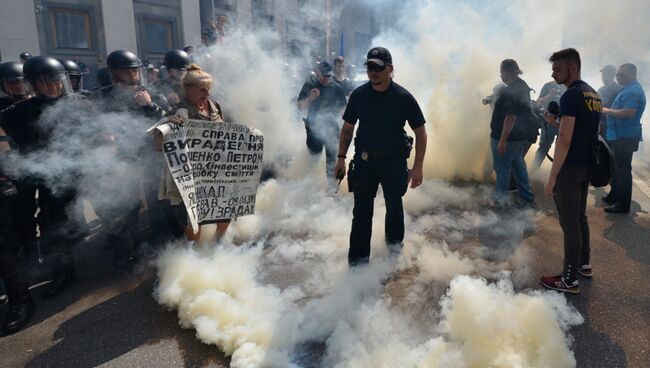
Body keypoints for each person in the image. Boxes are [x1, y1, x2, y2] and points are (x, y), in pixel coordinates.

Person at [334, 46, 427, 266]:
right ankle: (358, 263)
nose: (373, 72)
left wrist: (418, 167)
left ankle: (394, 252)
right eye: (370, 67)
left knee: (394, 206)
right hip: (365, 163)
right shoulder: (358, 96)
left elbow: (421, 132)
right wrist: (340, 158)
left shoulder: (403, 97)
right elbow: (347, 128)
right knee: (361, 213)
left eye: (378, 67)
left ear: (390, 69)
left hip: (394, 163)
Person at [0, 56, 82, 298]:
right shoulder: (16, 112)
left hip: (72, 171)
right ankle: (60, 270)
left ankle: (72, 268)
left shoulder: (77, 104)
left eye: (57, 81)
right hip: (35, 174)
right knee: (43, 223)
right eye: (46, 82)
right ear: (33, 84)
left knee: (64, 221)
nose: (54, 86)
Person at [91, 50, 166, 271]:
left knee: (156, 200)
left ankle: (160, 243)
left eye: (135, 70)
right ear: (115, 73)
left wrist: (149, 105)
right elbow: (92, 124)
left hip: (150, 155)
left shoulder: (150, 92)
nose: (133, 75)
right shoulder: (102, 98)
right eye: (127, 71)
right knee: (127, 205)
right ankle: (129, 251)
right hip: (122, 159)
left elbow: (166, 121)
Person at [540, 48, 601, 294]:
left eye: (557, 69)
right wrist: (554, 121)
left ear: (572, 68)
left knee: (569, 222)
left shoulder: (571, 95)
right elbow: (579, 130)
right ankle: (584, 265)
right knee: (580, 217)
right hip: (586, 166)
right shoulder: (592, 94)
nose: (553, 74)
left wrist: (552, 177)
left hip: (570, 168)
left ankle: (569, 279)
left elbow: (564, 138)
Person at [153, 64, 231, 242]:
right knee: (194, 219)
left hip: (217, 170)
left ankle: (218, 244)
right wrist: (168, 126)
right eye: (202, 90)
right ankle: (194, 257)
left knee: (224, 212)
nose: (207, 94)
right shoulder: (178, 112)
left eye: (209, 89)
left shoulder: (215, 106)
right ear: (188, 89)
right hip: (192, 177)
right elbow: (158, 146)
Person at [489, 59, 534, 206]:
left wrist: (502, 140)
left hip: (508, 138)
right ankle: (527, 197)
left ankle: (500, 200)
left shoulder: (512, 90)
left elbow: (510, 117)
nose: (501, 76)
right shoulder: (523, 86)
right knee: (518, 166)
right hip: (519, 137)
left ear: (508, 71)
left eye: (501, 72)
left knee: (502, 169)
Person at [602, 63, 646, 213]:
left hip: (625, 137)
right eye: (617, 75)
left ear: (632, 75)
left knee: (623, 170)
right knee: (618, 168)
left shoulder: (632, 91)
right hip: (620, 135)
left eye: (622, 75)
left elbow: (629, 112)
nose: (618, 78)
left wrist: (608, 111)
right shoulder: (627, 89)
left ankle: (622, 204)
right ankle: (615, 196)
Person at [298, 61, 347, 186]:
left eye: (330, 76)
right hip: (314, 129)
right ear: (318, 73)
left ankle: (332, 189)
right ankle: (310, 187)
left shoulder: (337, 88)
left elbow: (343, 108)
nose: (328, 79)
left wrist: (340, 116)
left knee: (332, 161)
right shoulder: (310, 85)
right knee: (313, 159)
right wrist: (311, 98)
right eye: (325, 76)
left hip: (332, 129)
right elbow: (300, 106)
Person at [532, 81, 566, 169]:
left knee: (561, 150)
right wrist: (549, 96)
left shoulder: (570, 87)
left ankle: (556, 175)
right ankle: (533, 172)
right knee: (543, 148)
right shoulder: (548, 85)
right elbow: (538, 102)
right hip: (548, 122)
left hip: (565, 123)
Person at [597, 65, 622, 136]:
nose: (603, 77)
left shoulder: (618, 89)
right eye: (603, 75)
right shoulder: (601, 89)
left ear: (612, 75)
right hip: (601, 124)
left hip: (613, 126)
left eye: (606, 74)